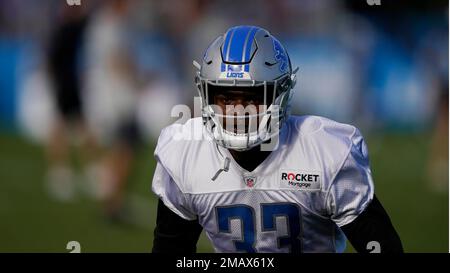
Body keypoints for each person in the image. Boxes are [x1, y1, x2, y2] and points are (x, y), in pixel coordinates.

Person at [151, 26, 403, 253]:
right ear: (206, 96)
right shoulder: (185, 154)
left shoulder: (325, 153)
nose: (238, 112)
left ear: (280, 96)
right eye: (226, 99)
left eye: (251, 98)